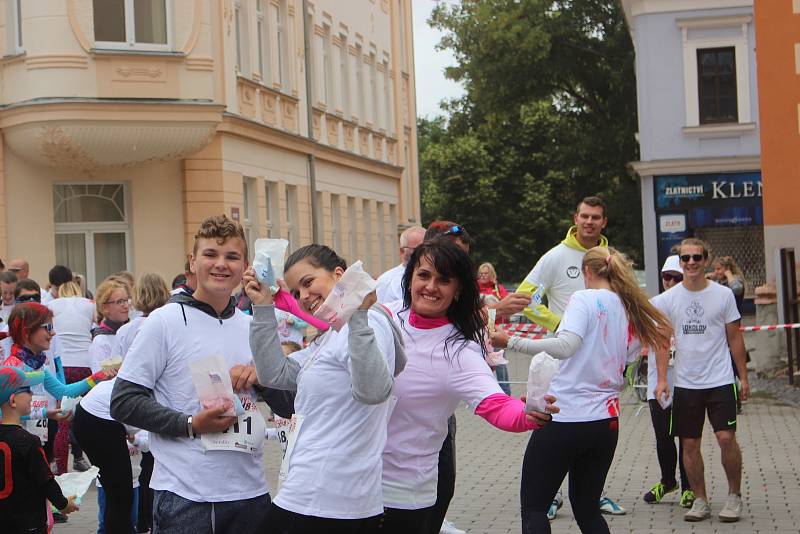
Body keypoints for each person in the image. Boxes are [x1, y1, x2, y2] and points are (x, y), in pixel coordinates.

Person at [380, 239, 556, 533]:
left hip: (400, 493)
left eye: (444, 280)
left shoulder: (458, 350)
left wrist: (528, 414)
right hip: (352, 482)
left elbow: (496, 404)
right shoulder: (385, 317)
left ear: (458, 290)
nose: (431, 287)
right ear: (409, 278)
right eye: (423, 275)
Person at [492, 246, 672, 534]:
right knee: (588, 512)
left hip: (566, 417)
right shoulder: (628, 306)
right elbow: (645, 345)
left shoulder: (584, 298)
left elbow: (566, 346)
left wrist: (510, 342)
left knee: (535, 508)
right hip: (605, 423)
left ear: (586, 272)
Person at [111, 215, 271, 534]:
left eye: (231, 257)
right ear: (193, 261)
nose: (221, 265)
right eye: (210, 254)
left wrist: (260, 376)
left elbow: (288, 403)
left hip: (251, 493)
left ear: (245, 266)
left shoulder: (253, 326)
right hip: (187, 497)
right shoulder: (163, 322)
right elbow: (124, 401)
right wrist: (190, 425)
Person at [246, 243, 405, 533]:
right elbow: (273, 373)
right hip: (315, 492)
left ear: (339, 274)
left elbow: (373, 391)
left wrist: (358, 314)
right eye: (295, 292)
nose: (304, 297)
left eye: (308, 283)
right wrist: (263, 307)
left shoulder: (367, 323)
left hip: (328, 497)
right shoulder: (329, 337)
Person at [515, 196, 626, 518]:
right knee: (553, 421)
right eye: (585, 216)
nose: (590, 222)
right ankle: (549, 495)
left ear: (604, 222)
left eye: (596, 217)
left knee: (587, 432)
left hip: (598, 365)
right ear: (575, 218)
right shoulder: (556, 256)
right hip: (562, 359)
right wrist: (560, 324)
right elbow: (526, 297)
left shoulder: (610, 258)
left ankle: (591, 494)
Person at [653, 238, 749, 523]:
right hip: (686, 383)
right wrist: (661, 379)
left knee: (725, 438)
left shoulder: (723, 295)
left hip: (719, 380)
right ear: (680, 262)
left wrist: (743, 377)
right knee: (690, 445)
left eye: (697, 257)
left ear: (706, 260)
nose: (691, 263)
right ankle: (700, 500)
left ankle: (734, 496)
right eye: (686, 258)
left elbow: (735, 338)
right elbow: (661, 342)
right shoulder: (668, 299)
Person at [75, 273, 170, 534]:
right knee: (120, 490)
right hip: (97, 416)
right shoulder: (129, 333)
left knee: (123, 489)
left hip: (105, 415)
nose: (124, 305)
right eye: (118, 301)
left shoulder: (131, 329)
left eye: (126, 300)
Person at [0, 366, 80, 532]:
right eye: (27, 391)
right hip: (28, 522)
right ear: (13, 400)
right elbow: (45, 479)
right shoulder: (28, 441)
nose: (31, 395)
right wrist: (63, 504)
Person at [641, 256, 693, 508]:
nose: (671, 282)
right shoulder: (654, 305)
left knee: (686, 436)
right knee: (663, 436)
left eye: (677, 277)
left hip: (686, 381)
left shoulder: (692, 304)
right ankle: (667, 481)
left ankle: (689, 487)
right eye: (667, 277)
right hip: (658, 381)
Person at [50, 271, 100, 475]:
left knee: (63, 421)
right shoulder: (89, 304)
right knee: (91, 416)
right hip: (84, 364)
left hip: (63, 366)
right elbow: (96, 324)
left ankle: (61, 470)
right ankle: (98, 464)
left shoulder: (52, 306)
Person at [477, 262, 511, 395]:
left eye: (486, 273)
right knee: (479, 364)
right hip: (478, 332)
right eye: (481, 273)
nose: (483, 276)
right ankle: (483, 393)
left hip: (494, 332)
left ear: (492, 274)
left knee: (500, 365)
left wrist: (496, 302)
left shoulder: (498, 288)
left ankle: (506, 394)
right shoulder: (474, 288)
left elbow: (507, 304)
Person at [88, 277, 131, 373]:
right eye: (119, 302)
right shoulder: (101, 341)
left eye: (126, 300)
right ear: (105, 307)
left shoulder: (130, 332)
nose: (126, 306)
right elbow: (99, 375)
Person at [376, 225, 426, 304]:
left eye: (428, 248)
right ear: (402, 251)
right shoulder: (386, 280)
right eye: (419, 249)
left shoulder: (433, 277)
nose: (426, 253)